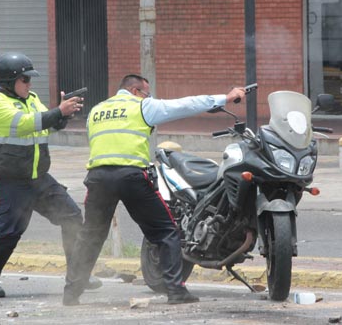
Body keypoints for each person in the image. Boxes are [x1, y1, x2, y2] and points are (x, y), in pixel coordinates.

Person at [63, 74, 246, 306]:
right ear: (136, 90)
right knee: (166, 232)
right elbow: (185, 105)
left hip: (98, 179)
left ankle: (71, 293)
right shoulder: (142, 106)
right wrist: (226, 98)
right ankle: (176, 291)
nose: (149, 97)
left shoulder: (96, 112)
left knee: (90, 236)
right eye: (147, 93)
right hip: (130, 176)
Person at [0, 52, 102, 298]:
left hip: (39, 178)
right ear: (8, 81)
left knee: (72, 217)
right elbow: (28, 123)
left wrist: (63, 115)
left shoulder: (31, 98)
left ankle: (77, 276)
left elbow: (49, 123)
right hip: (10, 181)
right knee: (9, 233)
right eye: (25, 79)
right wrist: (57, 112)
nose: (29, 84)